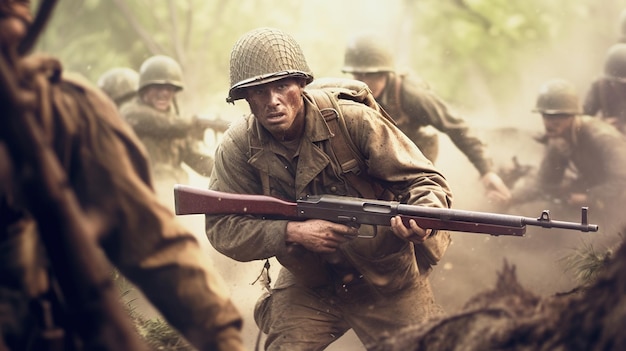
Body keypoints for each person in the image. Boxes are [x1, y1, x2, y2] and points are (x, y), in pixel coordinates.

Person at [0, 1, 244, 350]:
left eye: (167, 91)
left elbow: (156, 239)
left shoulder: (64, 112)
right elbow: (164, 127)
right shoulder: (136, 114)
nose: (162, 97)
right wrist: (199, 124)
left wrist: (226, 177)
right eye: (156, 91)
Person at [206, 27, 453, 350]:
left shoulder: (353, 121)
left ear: (301, 85)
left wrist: (425, 216)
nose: (273, 102)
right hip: (312, 282)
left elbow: (426, 181)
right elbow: (222, 226)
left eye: (282, 86)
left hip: (387, 280)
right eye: (258, 91)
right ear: (244, 98)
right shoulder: (240, 146)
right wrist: (292, 232)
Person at [341, 32, 511, 204]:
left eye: (371, 75)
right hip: (375, 161)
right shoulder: (353, 93)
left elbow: (456, 127)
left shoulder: (411, 95)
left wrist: (487, 171)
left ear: (385, 72)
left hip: (411, 163)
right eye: (357, 75)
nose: (363, 81)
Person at [510, 78, 626, 237]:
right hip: (597, 196)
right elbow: (545, 184)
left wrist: (589, 198)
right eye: (546, 116)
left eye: (557, 117)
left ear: (572, 115)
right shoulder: (558, 141)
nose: (550, 123)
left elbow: (622, 180)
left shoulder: (603, 137)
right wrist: (511, 198)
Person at [120, 55, 214, 201]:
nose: (164, 93)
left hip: (175, 200)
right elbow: (160, 123)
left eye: (169, 88)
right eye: (157, 87)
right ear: (144, 90)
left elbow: (197, 161)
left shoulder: (179, 126)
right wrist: (193, 123)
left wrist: (230, 168)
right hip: (142, 198)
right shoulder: (130, 113)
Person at [583, 43, 626, 133]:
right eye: (619, 83)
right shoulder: (599, 87)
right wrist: (602, 125)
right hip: (608, 137)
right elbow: (583, 119)